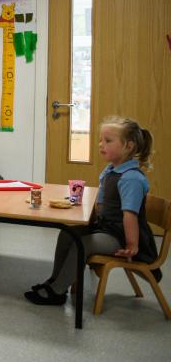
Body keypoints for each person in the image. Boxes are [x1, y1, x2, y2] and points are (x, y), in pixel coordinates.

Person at [26, 116, 159, 305]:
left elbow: (130, 216)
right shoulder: (111, 170)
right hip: (107, 228)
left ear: (128, 147)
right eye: (101, 140)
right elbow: (103, 203)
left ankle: (57, 291)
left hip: (121, 237)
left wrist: (131, 245)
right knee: (67, 234)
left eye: (108, 141)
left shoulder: (131, 179)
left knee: (84, 243)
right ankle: (56, 281)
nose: (100, 144)